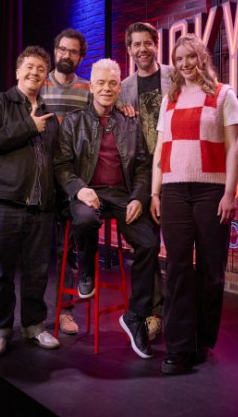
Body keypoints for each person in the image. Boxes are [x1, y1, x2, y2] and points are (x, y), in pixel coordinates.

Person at [54, 58, 159, 359]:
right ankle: (87, 267)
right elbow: (61, 165)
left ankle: (135, 316)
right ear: (91, 86)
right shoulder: (73, 122)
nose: (106, 88)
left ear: (118, 88)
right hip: (87, 191)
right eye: (100, 83)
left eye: (113, 83)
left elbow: (142, 166)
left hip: (122, 195)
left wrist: (138, 197)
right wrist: (79, 189)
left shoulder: (130, 122)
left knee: (149, 243)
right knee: (86, 219)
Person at [150, 33, 238, 374]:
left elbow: (233, 148)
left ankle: (202, 339)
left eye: (190, 57)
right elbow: (161, 149)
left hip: (211, 191)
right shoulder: (170, 98)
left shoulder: (223, 94)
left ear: (202, 57)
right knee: (177, 267)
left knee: (211, 270)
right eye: (179, 59)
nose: (185, 64)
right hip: (174, 189)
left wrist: (229, 193)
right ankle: (177, 347)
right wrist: (155, 192)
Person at [0, 45, 61, 357]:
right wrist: (28, 127)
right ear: (18, 71)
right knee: (1, 273)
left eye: (41, 69)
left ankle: (34, 326)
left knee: (37, 273)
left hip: (40, 207)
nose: (35, 72)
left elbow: (55, 160)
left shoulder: (50, 115)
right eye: (29, 66)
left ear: (46, 76)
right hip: (2, 203)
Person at [121, 22, 172, 341]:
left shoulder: (174, 77)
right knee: (148, 244)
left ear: (156, 44)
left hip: (174, 170)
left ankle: (178, 311)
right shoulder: (123, 88)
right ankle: (154, 313)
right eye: (136, 44)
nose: (142, 49)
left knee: (179, 246)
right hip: (141, 177)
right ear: (129, 50)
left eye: (147, 43)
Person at [40, 28, 91, 336]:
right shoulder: (39, 85)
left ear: (80, 57)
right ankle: (34, 316)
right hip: (40, 178)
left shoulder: (88, 89)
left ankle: (64, 312)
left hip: (71, 178)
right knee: (37, 251)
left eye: (73, 51)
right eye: (62, 49)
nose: (66, 55)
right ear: (55, 50)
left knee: (66, 250)